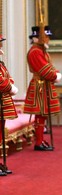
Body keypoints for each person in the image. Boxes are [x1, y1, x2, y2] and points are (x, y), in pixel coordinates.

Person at [24, 26, 62, 151]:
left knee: (43, 115)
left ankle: (40, 140)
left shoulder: (41, 51)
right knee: (40, 114)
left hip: (44, 85)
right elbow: (44, 70)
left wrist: (55, 72)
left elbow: (49, 66)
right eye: (46, 37)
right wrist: (55, 75)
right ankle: (38, 142)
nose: (48, 40)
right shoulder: (35, 52)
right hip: (40, 85)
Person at [0, 35, 18, 175]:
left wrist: (10, 84)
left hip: (3, 99)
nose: (1, 47)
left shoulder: (1, 63)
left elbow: (7, 76)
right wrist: (9, 87)